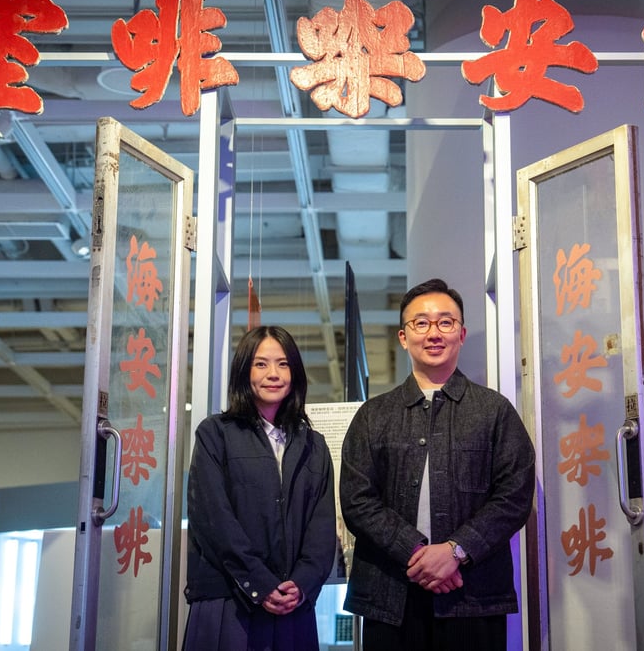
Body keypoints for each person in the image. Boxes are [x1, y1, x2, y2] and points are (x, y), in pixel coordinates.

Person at [340, 278, 535, 651]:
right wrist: (417, 554)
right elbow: (357, 500)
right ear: (403, 336)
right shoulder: (373, 415)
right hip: (390, 594)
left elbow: (513, 497)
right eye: (421, 323)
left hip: (472, 594)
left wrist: (454, 552)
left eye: (445, 323)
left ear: (461, 334)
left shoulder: (494, 412)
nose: (434, 333)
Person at [183, 326, 337, 651]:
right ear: (244, 371)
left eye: (283, 364)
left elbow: (322, 528)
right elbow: (213, 518)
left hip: (293, 605)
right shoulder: (215, 433)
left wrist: (302, 584)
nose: (273, 374)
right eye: (261, 364)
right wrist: (260, 583)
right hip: (229, 598)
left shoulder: (314, 445)